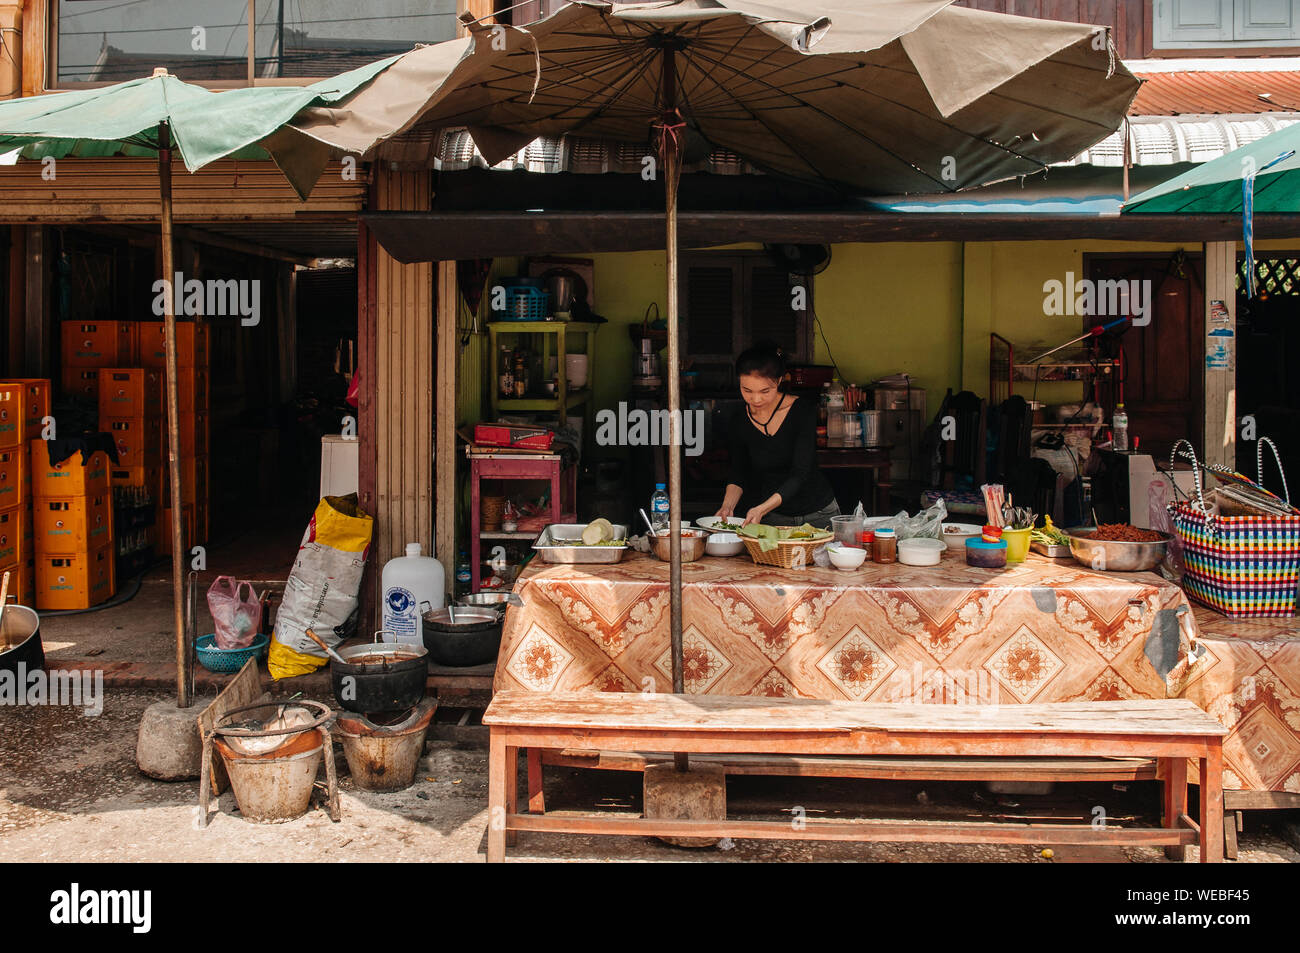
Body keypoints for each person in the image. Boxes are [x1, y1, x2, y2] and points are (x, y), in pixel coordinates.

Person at [716, 343, 840, 527]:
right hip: (774, 517)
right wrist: (727, 506)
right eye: (747, 390)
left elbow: (800, 473)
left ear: (780, 380)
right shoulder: (739, 419)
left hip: (818, 513)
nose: (756, 399)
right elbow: (739, 472)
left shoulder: (801, 411)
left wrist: (762, 508)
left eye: (765, 391)